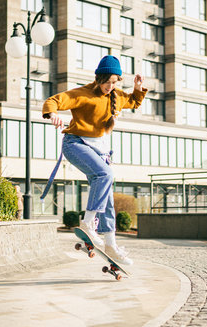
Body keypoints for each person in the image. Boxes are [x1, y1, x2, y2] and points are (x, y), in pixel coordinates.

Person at [42, 55, 147, 266]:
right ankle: (88, 223)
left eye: (114, 82)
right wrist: (52, 114)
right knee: (105, 174)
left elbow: (135, 102)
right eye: (106, 82)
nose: (110, 86)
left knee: (106, 193)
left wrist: (137, 88)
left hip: (98, 152)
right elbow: (53, 100)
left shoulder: (117, 95)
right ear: (98, 79)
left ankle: (110, 243)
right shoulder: (83, 94)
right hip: (75, 145)